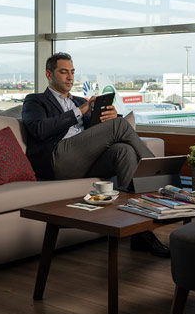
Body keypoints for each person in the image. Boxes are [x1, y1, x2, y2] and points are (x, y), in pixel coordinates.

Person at [22, 52, 169, 257]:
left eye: (72, 72)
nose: (70, 77)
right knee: (120, 125)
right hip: (57, 159)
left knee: (123, 151)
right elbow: (38, 129)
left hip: (84, 160)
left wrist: (110, 117)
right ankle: (159, 172)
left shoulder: (80, 101)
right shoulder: (35, 101)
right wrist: (79, 113)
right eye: (64, 72)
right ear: (49, 74)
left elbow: (98, 134)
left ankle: (141, 234)